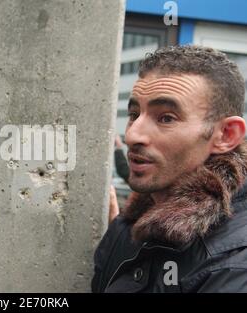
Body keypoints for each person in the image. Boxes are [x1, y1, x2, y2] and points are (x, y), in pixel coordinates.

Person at [92, 45, 247, 293]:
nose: (132, 135)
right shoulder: (127, 227)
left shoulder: (234, 263)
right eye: (134, 114)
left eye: (166, 118)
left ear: (226, 135)